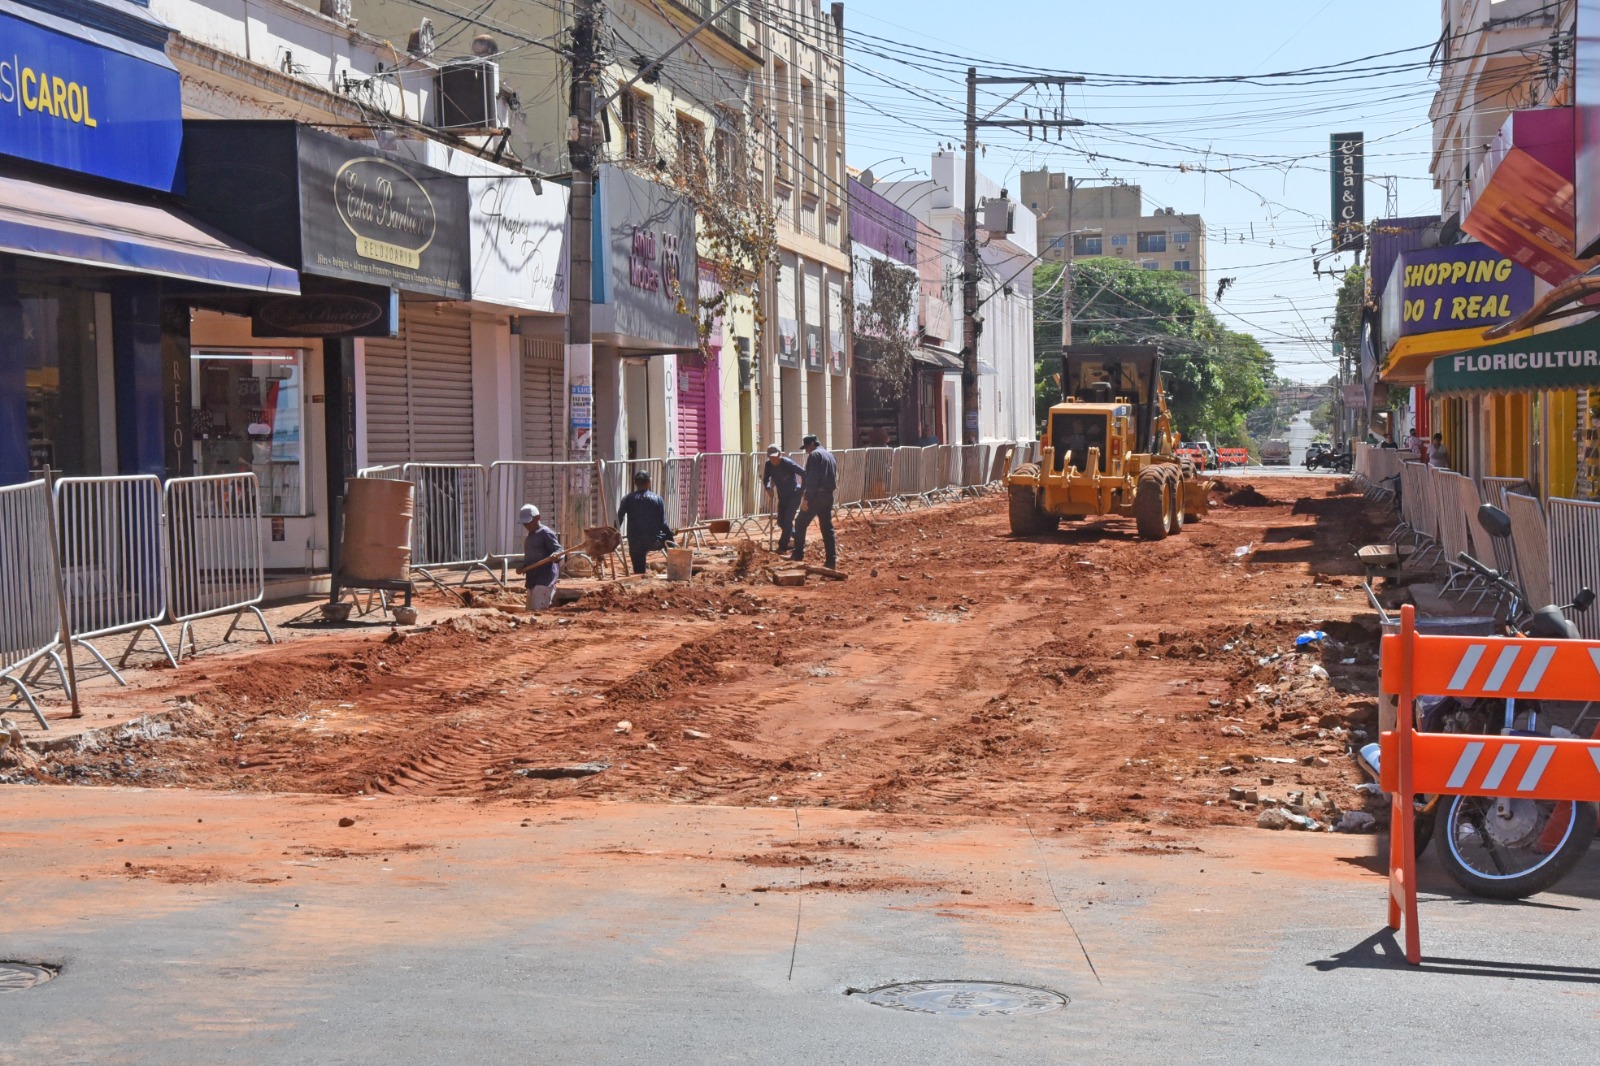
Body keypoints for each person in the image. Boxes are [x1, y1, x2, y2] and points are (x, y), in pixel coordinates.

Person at [791, 433, 837, 569]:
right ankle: (831, 560)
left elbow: (812, 479)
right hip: (828, 495)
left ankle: (798, 554)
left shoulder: (815, 455)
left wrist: (806, 498)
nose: (806, 451)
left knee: (800, 523)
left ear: (811, 445)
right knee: (827, 527)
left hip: (816, 495)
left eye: (806, 448)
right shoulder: (830, 455)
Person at [616, 470, 668, 575]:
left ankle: (640, 575)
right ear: (649, 483)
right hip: (654, 540)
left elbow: (619, 519)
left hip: (635, 541)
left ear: (635, 483)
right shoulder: (657, 499)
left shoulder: (627, 499)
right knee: (670, 542)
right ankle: (675, 567)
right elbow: (662, 523)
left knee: (639, 571)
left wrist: (614, 534)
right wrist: (670, 534)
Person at [514, 504, 562, 611]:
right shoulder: (529, 538)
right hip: (532, 581)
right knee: (530, 613)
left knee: (538, 613)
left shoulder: (545, 533)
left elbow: (559, 550)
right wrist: (523, 567)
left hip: (544, 581)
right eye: (524, 523)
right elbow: (530, 559)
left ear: (537, 518)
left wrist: (556, 555)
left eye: (529, 522)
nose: (526, 526)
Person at [761, 444, 805, 554]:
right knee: (781, 522)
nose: (773, 460)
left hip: (794, 495)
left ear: (780, 454)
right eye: (770, 457)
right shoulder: (768, 465)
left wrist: (803, 490)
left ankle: (782, 546)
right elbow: (766, 478)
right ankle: (799, 538)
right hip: (782, 496)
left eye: (775, 457)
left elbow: (804, 473)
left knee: (787, 520)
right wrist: (767, 488)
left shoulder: (787, 463)